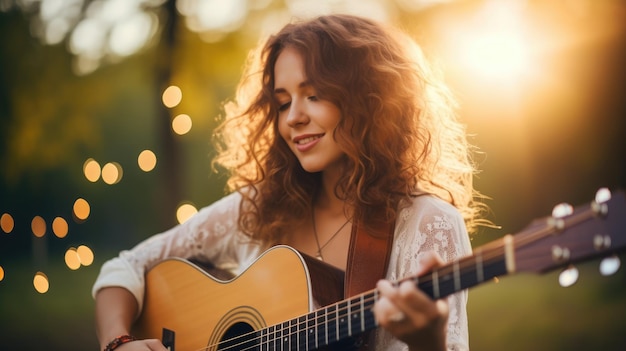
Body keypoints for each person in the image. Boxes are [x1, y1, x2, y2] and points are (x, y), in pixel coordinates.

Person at [93, 13, 485, 351]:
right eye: (282, 102)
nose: (293, 117)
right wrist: (118, 342)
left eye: (313, 95)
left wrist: (428, 340)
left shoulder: (426, 224)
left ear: (370, 100)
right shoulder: (260, 206)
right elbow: (126, 266)